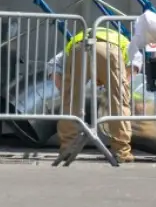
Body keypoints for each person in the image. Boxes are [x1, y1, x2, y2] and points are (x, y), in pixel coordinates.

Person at [49, 24, 139, 164]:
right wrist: (119, 87)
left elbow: (53, 64)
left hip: (79, 48)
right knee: (118, 102)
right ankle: (122, 152)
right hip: (110, 50)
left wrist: (65, 91)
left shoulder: (76, 38)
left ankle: (67, 149)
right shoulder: (125, 42)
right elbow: (135, 64)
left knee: (71, 101)